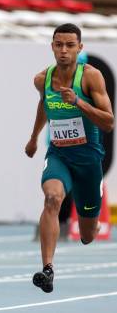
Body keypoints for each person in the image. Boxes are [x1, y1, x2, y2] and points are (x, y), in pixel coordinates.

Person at [25, 23, 114, 293]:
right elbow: (44, 104)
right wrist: (33, 138)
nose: (64, 50)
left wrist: (78, 102)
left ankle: (93, 223)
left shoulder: (91, 77)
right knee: (52, 198)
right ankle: (48, 270)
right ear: (52, 46)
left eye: (70, 45)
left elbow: (109, 122)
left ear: (80, 48)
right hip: (59, 154)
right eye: (59, 45)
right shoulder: (42, 79)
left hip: (88, 159)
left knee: (87, 236)